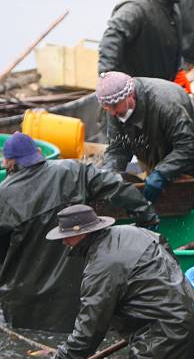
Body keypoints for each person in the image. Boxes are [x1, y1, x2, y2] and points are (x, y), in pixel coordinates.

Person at [36, 205, 194, 359]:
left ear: (82, 234)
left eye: (67, 236)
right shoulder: (132, 232)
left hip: (164, 337)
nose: (64, 242)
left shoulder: (101, 268)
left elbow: (87, 332)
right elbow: (168, 256)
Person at [0, 133, 157, 333]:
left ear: (8, 162)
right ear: (38, 153)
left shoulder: (3, 196)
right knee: (78, 340)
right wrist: (147, 216)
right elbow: (116, 185)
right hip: (73, 296)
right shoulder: (73, 170)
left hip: (24, 306)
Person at [97, 71, 194, 207]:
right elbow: (117, 149)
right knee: (157, 198)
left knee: (188, 201)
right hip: (156, 142)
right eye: (107, 109)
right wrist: (107, 177)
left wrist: (161, 173)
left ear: (130, 96)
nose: (112, 113)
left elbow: (188, 146)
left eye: (114, 107)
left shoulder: (165, 103)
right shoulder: (114, 106)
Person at [98, 0, 187, 81]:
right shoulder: (135, 6)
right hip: (135, 91)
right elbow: (111, 41)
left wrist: (178, 70)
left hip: (160, 87)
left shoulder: (170, 3)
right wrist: (106, 81)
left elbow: (172, 44)